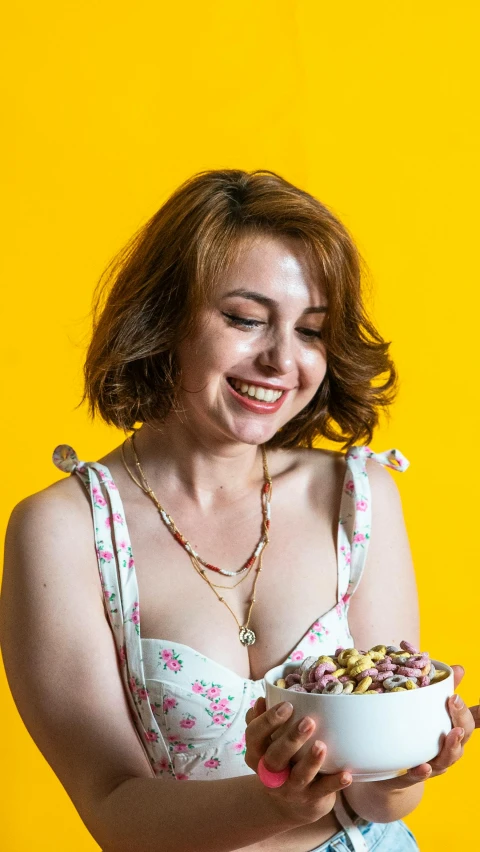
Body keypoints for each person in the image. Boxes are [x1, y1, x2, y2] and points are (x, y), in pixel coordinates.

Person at [1, 169, 477, 852]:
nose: (283, 359)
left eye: (311, 331)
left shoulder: (357, 496)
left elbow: (380, 797)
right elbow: (111, 808)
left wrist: (418, 750)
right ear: (164, 317)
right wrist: (276, 802)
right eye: (246, 319)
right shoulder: (63, 530)